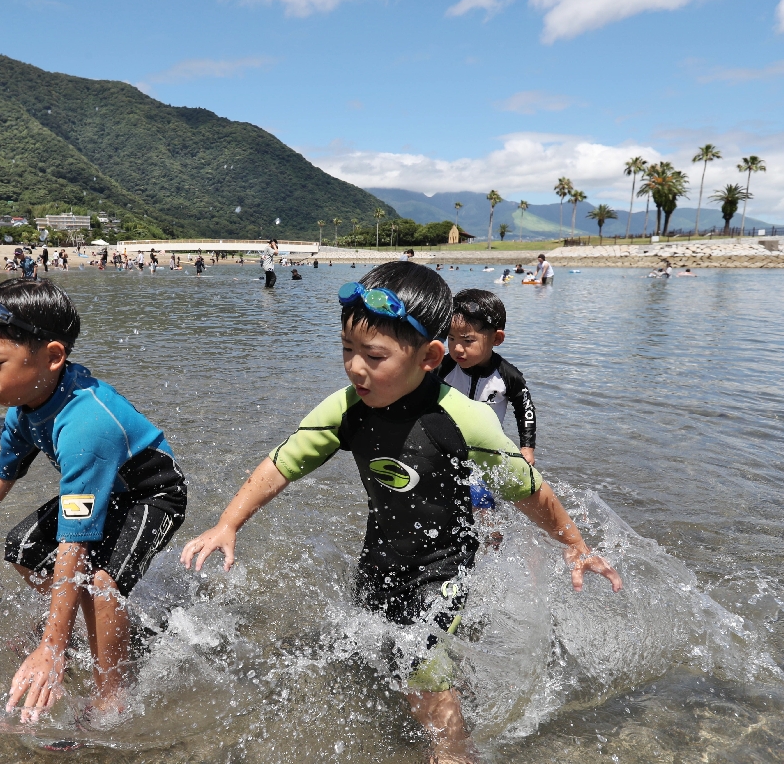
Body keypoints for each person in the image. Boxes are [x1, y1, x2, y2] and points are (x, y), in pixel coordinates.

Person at [179, 262, 621, 763]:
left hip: (447, 564)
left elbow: (529, 490)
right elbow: (283, 464)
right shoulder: (347, 409)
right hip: (381, 558)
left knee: (423, 664)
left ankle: (455, 752)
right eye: (347, 350)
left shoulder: (464, 419)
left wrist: (575, 544)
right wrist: (228, 523)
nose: (355, 368)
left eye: (374, 355)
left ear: (430, 357)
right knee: (377, 648)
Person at [0, 279, 187, 720]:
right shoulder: (25, 405)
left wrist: (51, 647)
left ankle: (111, 697)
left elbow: (74, 544)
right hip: (104, 492)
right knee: (23, 549)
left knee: (102, 584)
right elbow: (3, 470)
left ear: (52, 357)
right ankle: (94, 622)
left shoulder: (84, 426)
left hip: (151, 494)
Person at [440, 290, 536, 466]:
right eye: (451, 339)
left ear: (496, 338)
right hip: (446, 445)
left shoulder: (508, 376)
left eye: (467, 340)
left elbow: (525, 409)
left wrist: (527, 448)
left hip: (487, 449)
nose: (457, 348)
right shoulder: (442, 367)